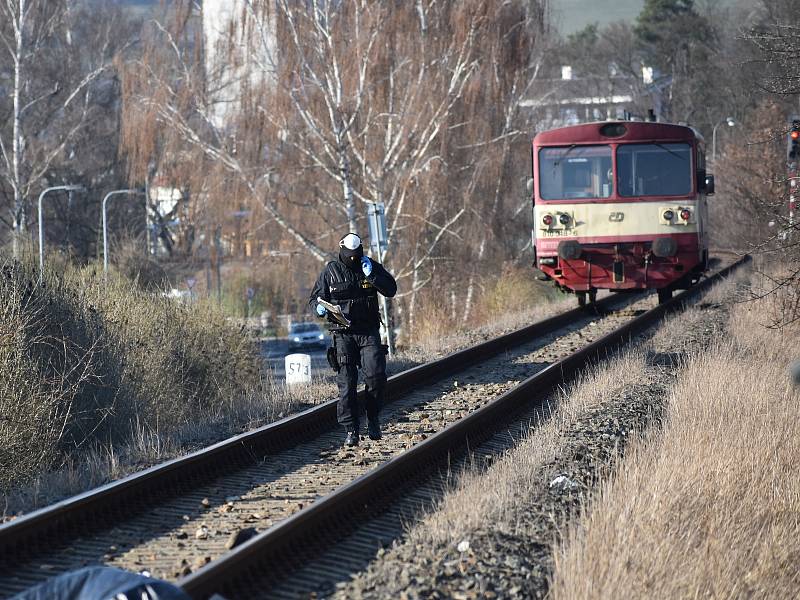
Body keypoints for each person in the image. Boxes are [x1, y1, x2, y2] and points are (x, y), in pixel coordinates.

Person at [309, 233, 397, 447]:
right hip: (343, 334)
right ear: (341, 250)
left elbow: (391, 290)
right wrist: (319, 309)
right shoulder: (330, 271)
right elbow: (314, 299)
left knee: (376, 376)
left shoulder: (369, 266)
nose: (354, 259)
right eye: (350, 255)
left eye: (357, 255)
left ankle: (373, 418)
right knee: (347, 384)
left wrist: (373, 276)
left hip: (368, 331)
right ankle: (351, 430)